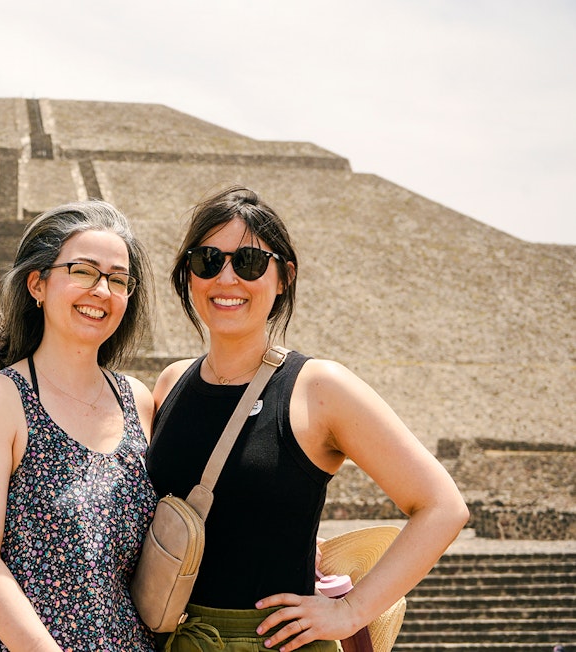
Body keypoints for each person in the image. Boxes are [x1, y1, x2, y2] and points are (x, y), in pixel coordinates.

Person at [146, 185, 470, 651]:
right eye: (208, 261)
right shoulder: (171, 383)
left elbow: (442, 507)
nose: (227, 278)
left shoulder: (319, 389)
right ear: (189, 276)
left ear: (284, 277)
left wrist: (351, 611)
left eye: (250, 262)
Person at [0, 200, 158, 650]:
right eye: (83, 271)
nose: (102, 290)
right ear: (38, 283)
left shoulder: (138, 400)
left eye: (118, 279)